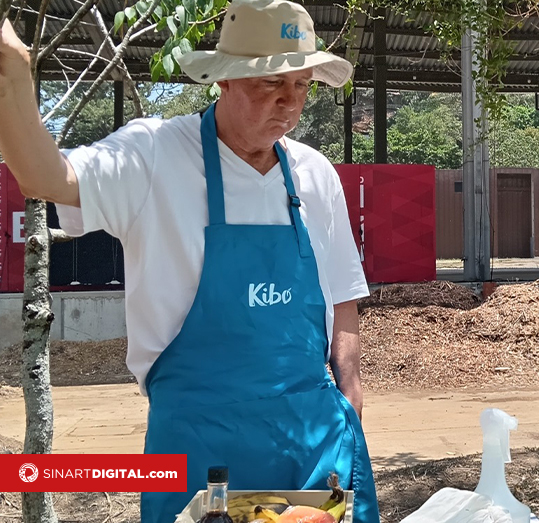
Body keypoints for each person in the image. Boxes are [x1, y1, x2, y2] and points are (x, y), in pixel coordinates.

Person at [0, 1, 379, 521]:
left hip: (308, 436)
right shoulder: (153, 154)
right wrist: (13, 77)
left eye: (302, 85)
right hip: (199, 439)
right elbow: (46, 178)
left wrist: (350, 396)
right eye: (269, 84)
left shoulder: (315, 173)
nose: (289, 104)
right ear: (223, 80)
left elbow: (341, 295)